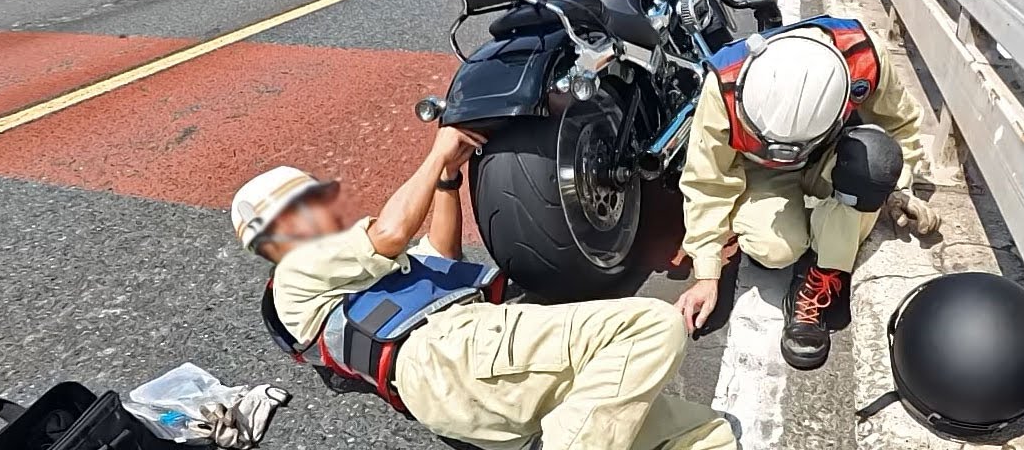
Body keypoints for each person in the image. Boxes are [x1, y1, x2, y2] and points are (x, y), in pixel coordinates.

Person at [233, 126, 738, 450]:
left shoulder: (348, 278)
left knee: (703, 434)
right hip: (450, 356)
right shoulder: (298, 272)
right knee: (648, 326)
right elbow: (390, 235)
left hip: (477, 376)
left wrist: (449, 180)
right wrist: (436, 153)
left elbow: (441, 256)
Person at [674, 15, 941, 371]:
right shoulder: (722, 86)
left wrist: (898, 188)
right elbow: (708, 180)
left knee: (874, 163)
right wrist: (707, 273)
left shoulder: (863, 54)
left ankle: (823, 275)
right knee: (776, 249)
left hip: (830, 156)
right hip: (761, 171)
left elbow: (900, 127)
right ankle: (823, 231)